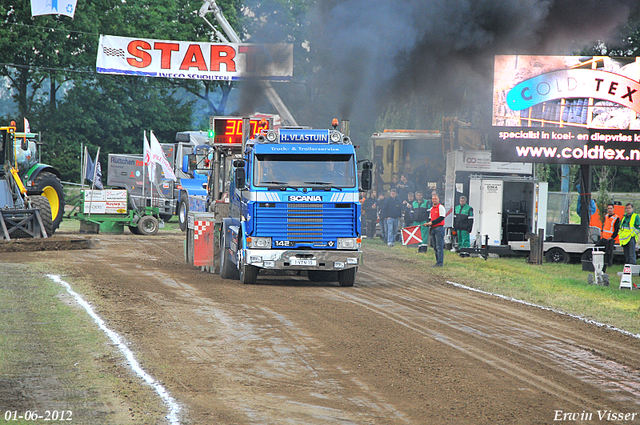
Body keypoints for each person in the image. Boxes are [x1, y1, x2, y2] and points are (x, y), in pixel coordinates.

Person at [426, 192, 446, 267]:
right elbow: (429, 218)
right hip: (433, 228)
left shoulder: (441, 207)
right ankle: (437, 261)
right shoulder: (431, 209)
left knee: (439, 246)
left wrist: (431, 222)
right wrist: (428, 223)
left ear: (438, 199)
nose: (434, 200)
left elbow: (441, 217)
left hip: (439, 228)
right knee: (435, 247)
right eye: (433, 199)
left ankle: (440, 263)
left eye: (435, 199)